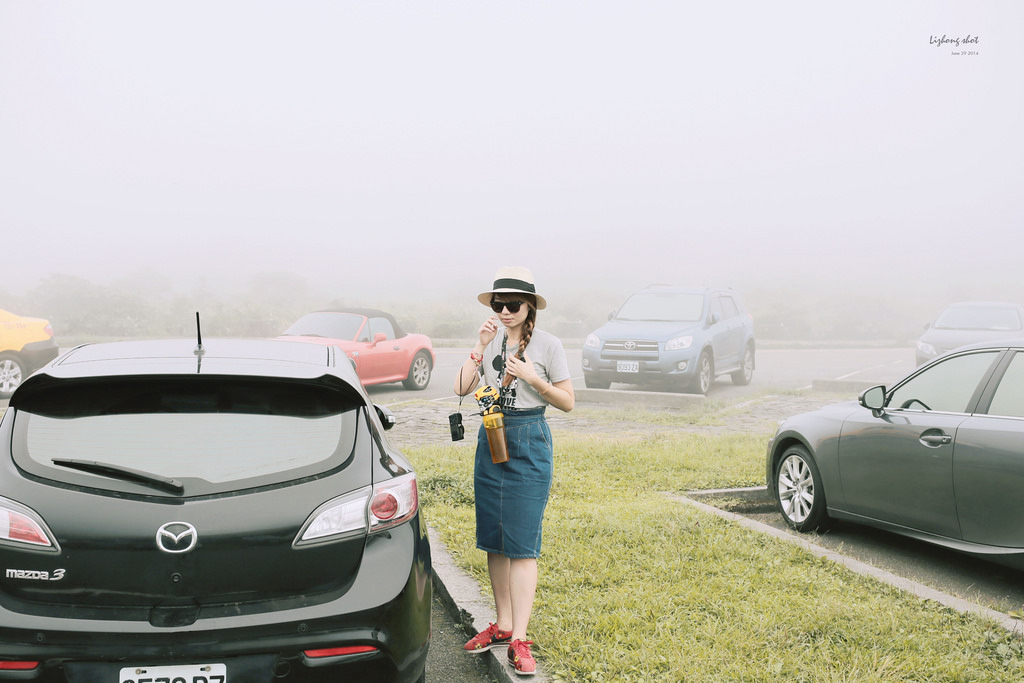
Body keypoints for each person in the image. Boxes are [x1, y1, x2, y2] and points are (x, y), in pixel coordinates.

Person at [453, 266, 575, 677]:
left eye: (512, 305)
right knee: (494, 538)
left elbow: (568, 402)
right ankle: (503, 625)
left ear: (529, 308)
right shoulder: (489, 342)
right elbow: (461, 388)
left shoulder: (548, 345)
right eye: (497, 304)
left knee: (522, 542)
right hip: (492, 435)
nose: (504, 311)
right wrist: (478, 344)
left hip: (528, 437)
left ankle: (519, 638)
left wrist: (533, 378)